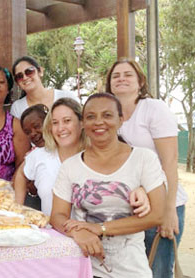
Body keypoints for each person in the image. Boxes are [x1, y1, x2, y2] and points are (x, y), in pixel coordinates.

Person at [50, 93, 166, 277]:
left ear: (121, 120)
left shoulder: (143, 159)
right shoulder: (70, 167)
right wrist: (77, 232)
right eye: (90, 117)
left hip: (131, 271)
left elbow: (157, 215)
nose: (98, 122)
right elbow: (57, 215)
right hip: (85, 269)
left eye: (107, 115)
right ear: (83, 124)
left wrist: (99, 228)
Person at [105, 58, 188, 278]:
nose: (121, 78)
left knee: (159, 271)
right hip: (130, 209)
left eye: (128, 74)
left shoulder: (153, 109)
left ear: (140, 82)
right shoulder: (109, 114)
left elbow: (169, 163)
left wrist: (168, 211)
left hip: (161, 203)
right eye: (116, 75)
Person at [10, 56, 78, 118]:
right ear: (17, 83)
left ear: (40, 71)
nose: (25, 78)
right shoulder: (17, 108)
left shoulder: (66, 97)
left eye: (29, 71)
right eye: (19, 76)